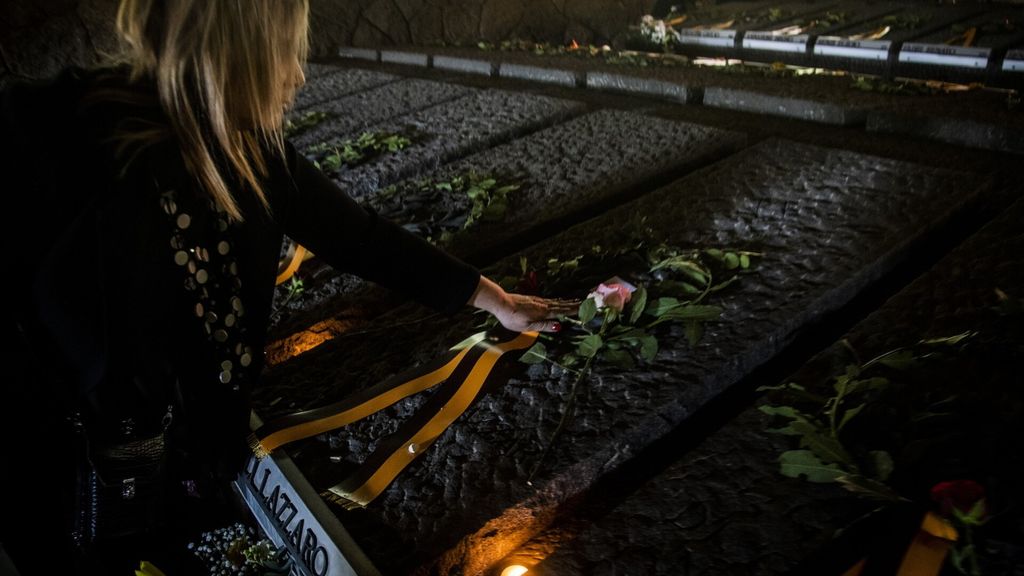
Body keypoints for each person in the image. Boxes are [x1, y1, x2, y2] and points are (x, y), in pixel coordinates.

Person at [0, 0, 574, 573]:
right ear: (238, 55)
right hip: (63, 465)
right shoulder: (56, 137)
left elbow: (362, 238)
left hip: (195, 459)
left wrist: (494, 301)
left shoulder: (253, 153)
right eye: (285, 53)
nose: (298, 74)